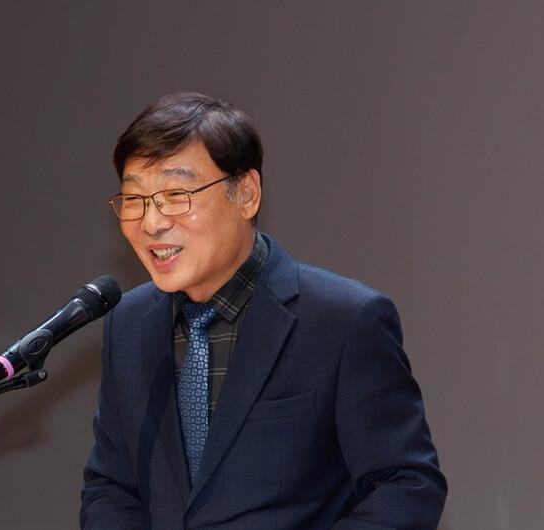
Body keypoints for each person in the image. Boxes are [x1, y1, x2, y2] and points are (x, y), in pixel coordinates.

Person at [80, 92, 447, 530]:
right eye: (134, 198)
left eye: (176, 194)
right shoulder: (128, 324)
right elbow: (111, 487)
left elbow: (405, 485)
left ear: (247, 194)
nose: (152, 222)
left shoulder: (344, 320)